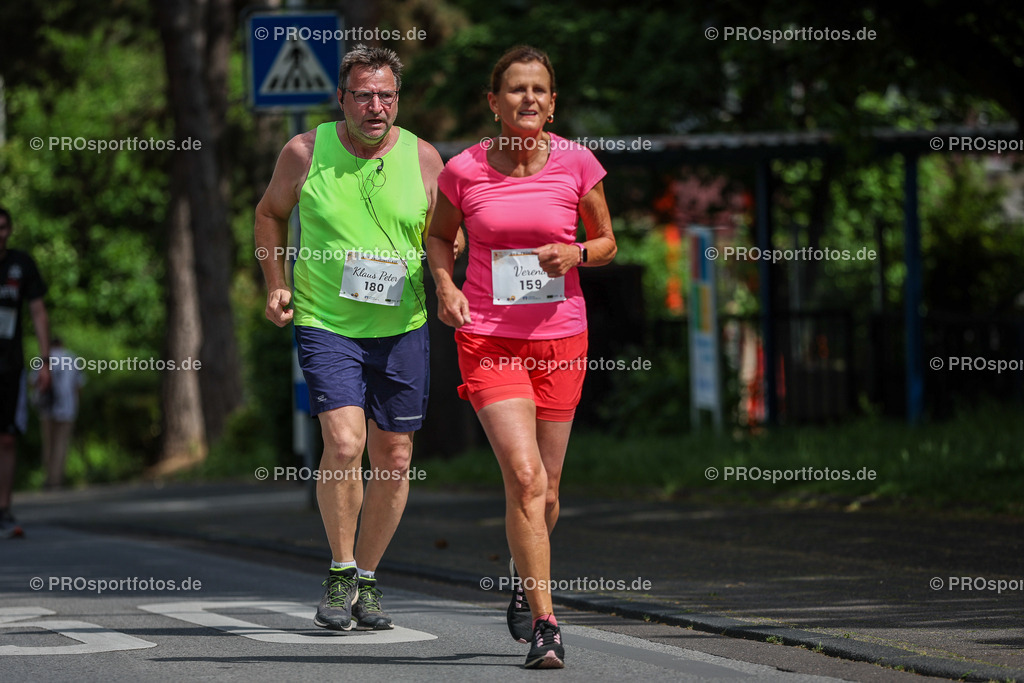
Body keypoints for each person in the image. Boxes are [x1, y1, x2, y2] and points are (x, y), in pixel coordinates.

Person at [427, 45, 616, 669]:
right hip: (489, 338)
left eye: (539, 89)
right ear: (494, 101)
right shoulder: (464, 169)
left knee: (550, 489)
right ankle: (547, 624)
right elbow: (438, 235)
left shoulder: (577, 164)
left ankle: (521, 572)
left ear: (553, 103)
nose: (527, 99)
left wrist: (578, 256)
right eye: (515, 90)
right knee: (525, 477)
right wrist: (447, 284)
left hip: (561, 337)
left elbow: (608, 240)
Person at [254, 44, 445, 632]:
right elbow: (269, 214)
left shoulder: (425, 157)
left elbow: (445, 233)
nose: (376, 106)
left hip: (403, 325)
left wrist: (449, 274)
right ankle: (339, 573)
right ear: (341, 98)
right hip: (326, 322)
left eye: (386, 95)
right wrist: (275, 283)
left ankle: (367, 579)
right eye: (363, 95)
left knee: (395, 456)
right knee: (343, 444)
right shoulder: (305, 151)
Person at [0, 206, 51, 539]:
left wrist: (44, 361)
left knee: (6, 438)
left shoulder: (21, 265)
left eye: (3, 227)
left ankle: (3, 507)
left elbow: (38, 312)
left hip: (9, 365)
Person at [33, 337, 84, 489]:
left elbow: (34, 382)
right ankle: (57, 479)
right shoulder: (71, 357)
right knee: (61, 444)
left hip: (46, 407)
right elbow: (78, 385)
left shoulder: (42, 358)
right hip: (67, 407)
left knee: (48, 444)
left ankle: (48, 478)